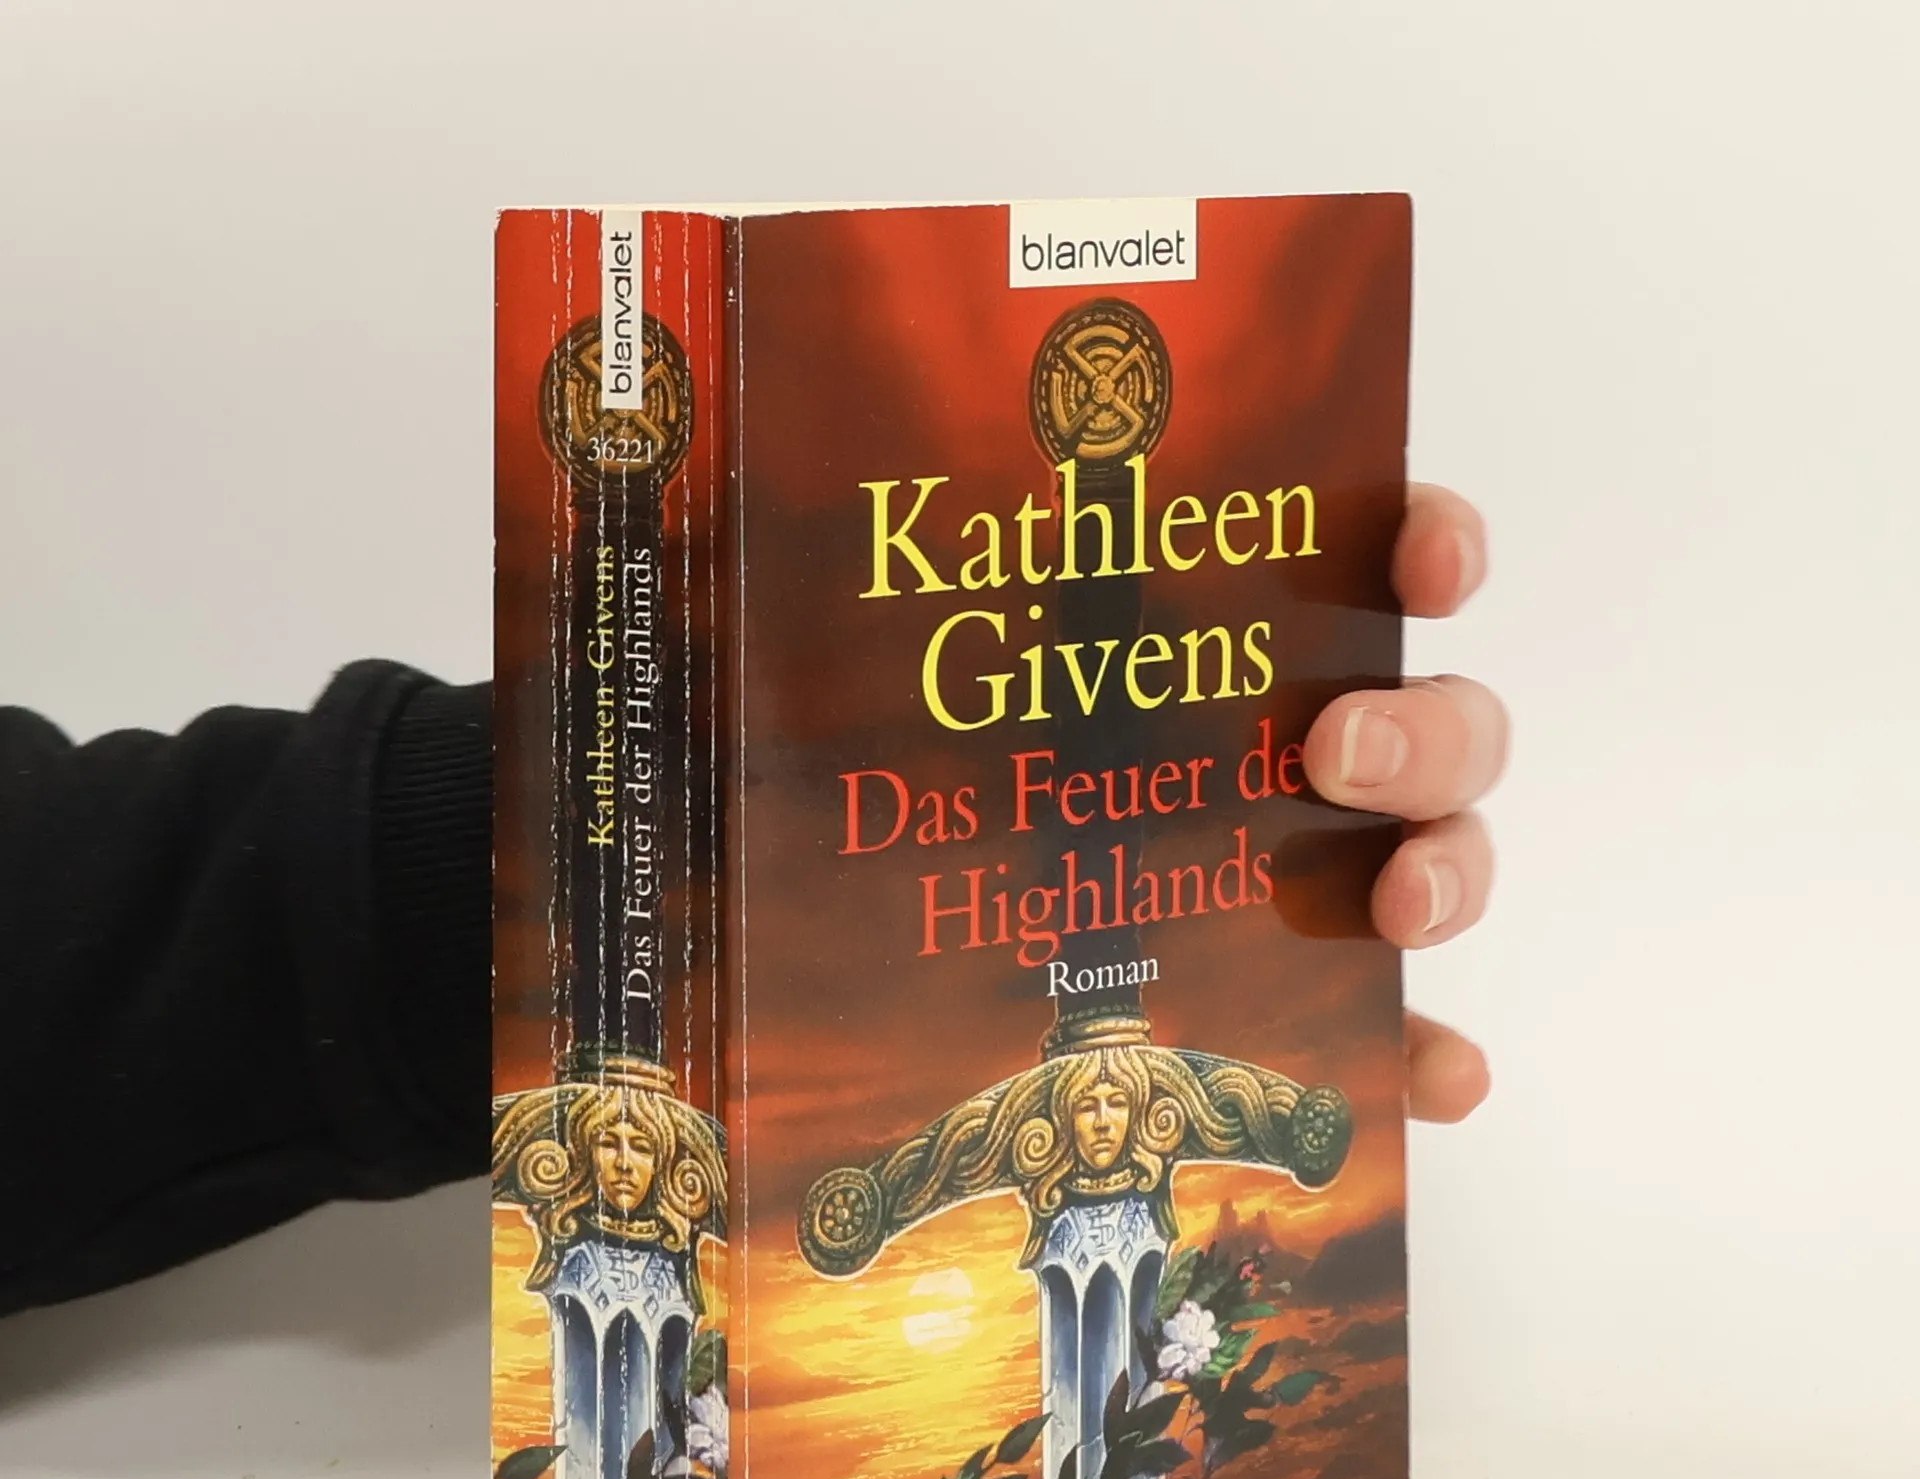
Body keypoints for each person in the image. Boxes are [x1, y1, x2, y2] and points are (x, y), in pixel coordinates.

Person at [0, 486, 1503, 1323]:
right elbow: (936, 1163)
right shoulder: (1045, 1119)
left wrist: (644, 814)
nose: (1108, 1122)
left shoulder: (1133, 1087)